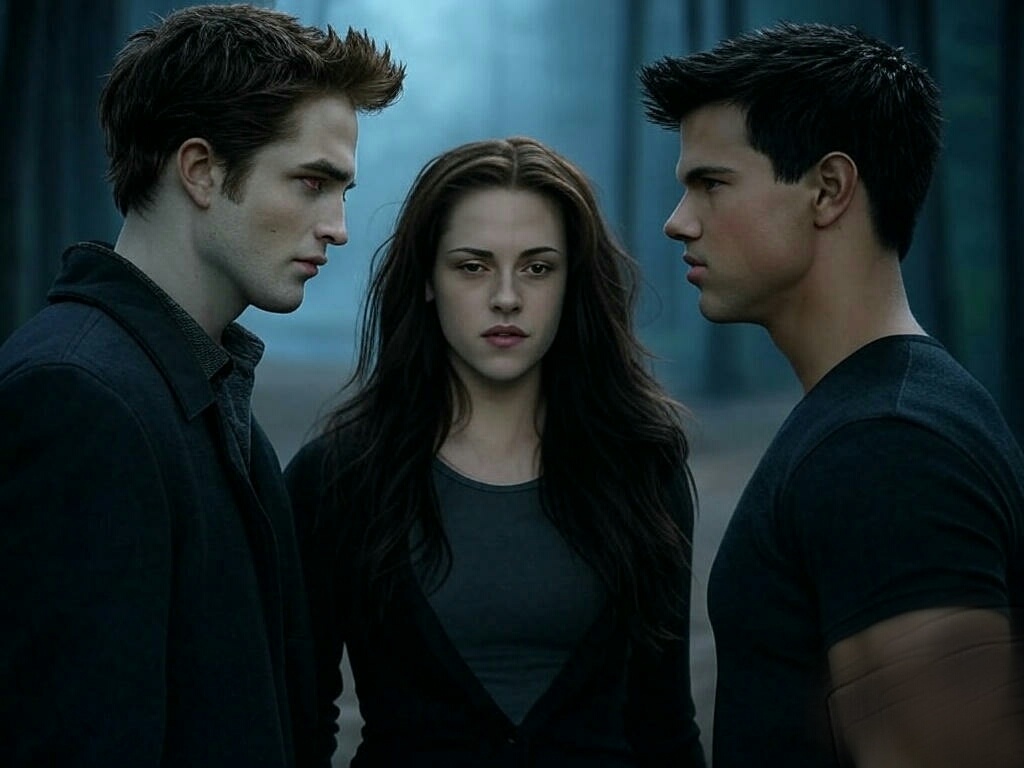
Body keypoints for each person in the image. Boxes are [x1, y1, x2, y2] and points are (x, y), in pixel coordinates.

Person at [0, 5, 404, 767]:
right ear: (201, 170)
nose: (338, 226)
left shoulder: (197, 386)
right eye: (311, 182)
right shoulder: (77, 398)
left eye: (343, 191)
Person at [640, 21, 1024, 768]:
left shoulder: (888, 447)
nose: (677, 221)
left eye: (712, 183)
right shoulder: (890, 416)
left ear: (828, 189)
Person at [284, 136, 706, 767]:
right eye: (473, 266)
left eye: (538, 268)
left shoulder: (642, 465)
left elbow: (665, 726)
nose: (506, 297)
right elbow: (296, 725)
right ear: (428, 280)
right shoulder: (338, 477)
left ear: (572, 281)